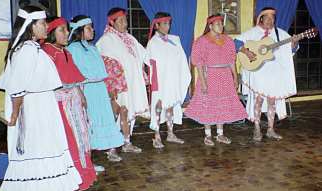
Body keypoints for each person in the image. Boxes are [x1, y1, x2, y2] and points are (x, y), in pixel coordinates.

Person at [0, 6, 82, 191]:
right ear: (31, 27)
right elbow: (16, 89)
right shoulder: (25, 51)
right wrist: (15, 116)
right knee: (32, 159)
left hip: (41, 110)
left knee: (43, 155)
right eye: (42, 23)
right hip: (31, 115)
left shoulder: (33, 48)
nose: (46, 27)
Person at [42, 17, 96, 191]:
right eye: (62, 30)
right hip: (60, 105)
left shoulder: (65, 51)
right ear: (51, 33)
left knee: (80, 136)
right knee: (69, 139)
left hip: (73, 102)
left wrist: (80, 94)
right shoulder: (47, 52)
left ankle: (84, 172)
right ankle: (72, 177)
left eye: (66, 30)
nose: (67, 33)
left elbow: (74, 79)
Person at [235, 7, 298, 141]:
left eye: (272, 18)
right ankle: (257, 128)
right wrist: (247, 52)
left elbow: (291, 50)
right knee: (258, 100)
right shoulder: (253, 32)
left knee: (272, 100)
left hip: (274, 73)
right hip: (258, 72)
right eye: (267, 18)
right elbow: (235, 43)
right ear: (261, 19)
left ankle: (270, 129)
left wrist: (294, 43)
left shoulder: (280, 33)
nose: (270, 20)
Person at [67, 15, 124, 163]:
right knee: (89, 121)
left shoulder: (92, 48)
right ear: (79, 30)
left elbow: (101, 71)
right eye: (88, 28)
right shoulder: (72, 49)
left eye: (91, 27)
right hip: (87, 89)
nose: (93, 30)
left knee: (105, 117)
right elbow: (75, 73)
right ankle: (87, 159)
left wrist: (108, 89)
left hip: (99, 88)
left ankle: (110, 149)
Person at [185, 15, 247, 146]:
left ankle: (220, 134)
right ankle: (208, 135)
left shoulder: (228, 40)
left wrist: (235, 77)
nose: (221, 26)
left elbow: (231, 61)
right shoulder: (202, 41)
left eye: (221, 24)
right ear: (210, 26)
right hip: (209, 75)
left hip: (225, 76)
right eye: (217, 24)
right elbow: (198, 63)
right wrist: (203, 81)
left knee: (221, 104)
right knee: (209, 104)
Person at [96, 8, 150, 153]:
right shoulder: (106, 40)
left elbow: (145, 54)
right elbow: (103, 64)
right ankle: (111, 147)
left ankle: (127, 142)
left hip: (132, 82)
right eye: (121, 21)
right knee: (119, 112)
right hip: (118, 85)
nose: (125, 23)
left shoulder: (129, 38)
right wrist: (112, 87)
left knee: (129, 112)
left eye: (125, 20)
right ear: (112, 22)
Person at [145, 12, 191, 148]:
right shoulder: (153, 43)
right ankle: (157, 135)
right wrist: (154, 83)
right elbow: (150, 63)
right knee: (158, 106)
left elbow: (181, 59)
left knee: (170, 104)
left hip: (172, 78)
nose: (167, 26)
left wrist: (181, 75)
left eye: (169, 23)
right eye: (164, 23)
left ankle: (170, 133)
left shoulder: (175, 40)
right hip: (160, 79)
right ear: (157, 25)